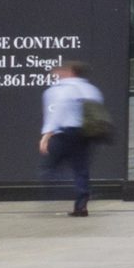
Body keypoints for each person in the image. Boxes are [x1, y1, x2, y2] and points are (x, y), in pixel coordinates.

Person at [39, 59, 106, 217]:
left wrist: (46, 135)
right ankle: (81, 203)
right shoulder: (91, 89)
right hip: (85, 133)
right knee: (81, 169)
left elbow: (57, 112)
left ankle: (66, 192)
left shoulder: (59, 90)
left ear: (70, 72)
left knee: (50, 167)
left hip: (65, 133)